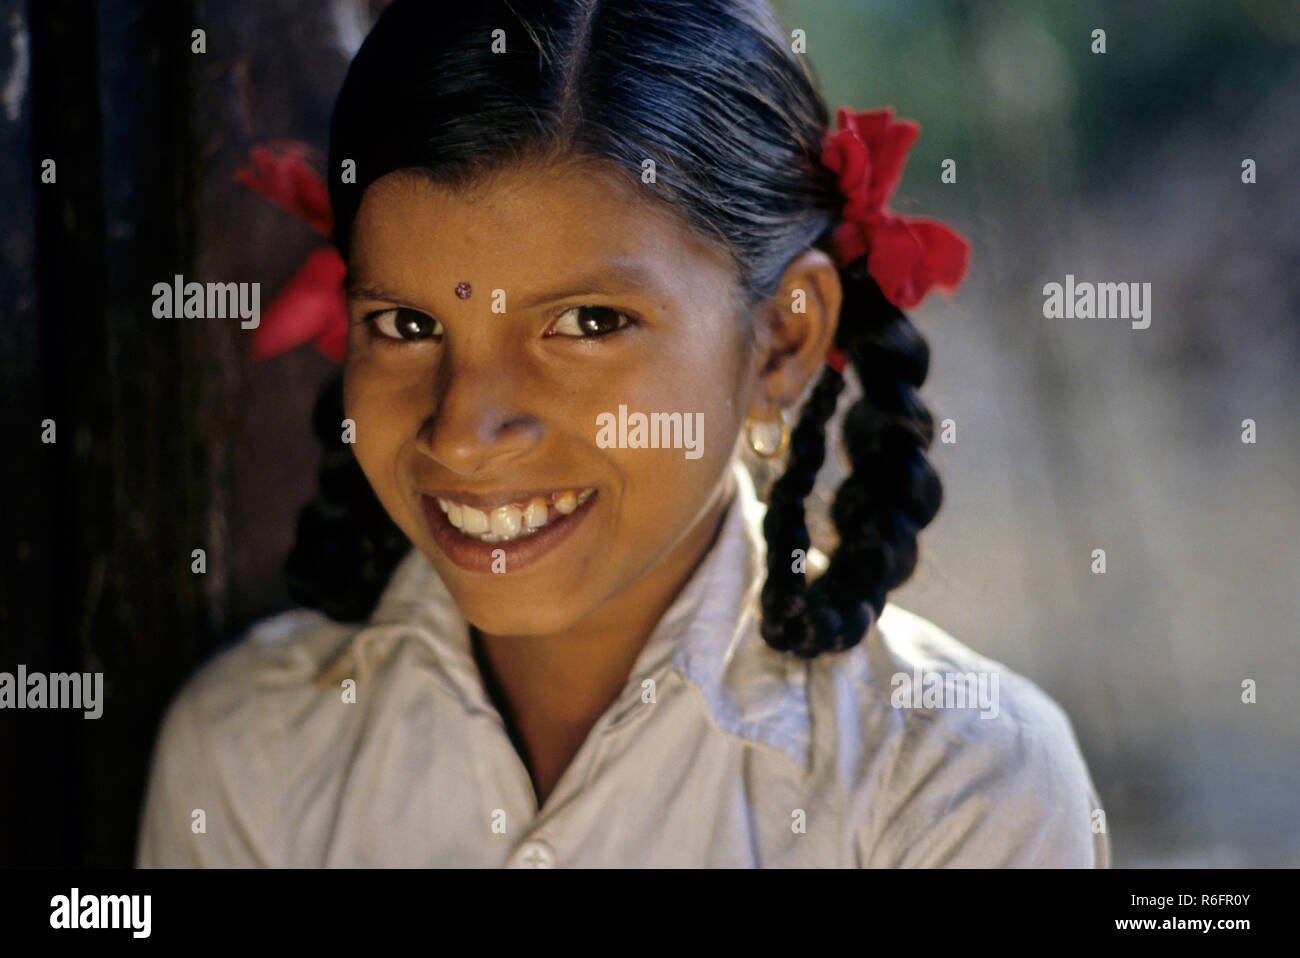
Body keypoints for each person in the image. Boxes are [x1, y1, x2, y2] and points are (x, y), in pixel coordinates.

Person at [137, 0, 1109, 867]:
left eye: (588, 323)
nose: (467, 432)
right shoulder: (251, 751)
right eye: (407, 324)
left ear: (782, 338)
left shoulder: (952, 787)